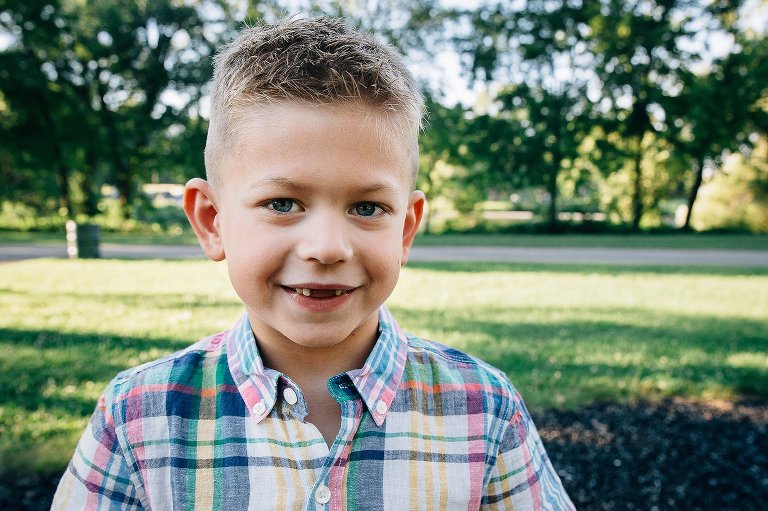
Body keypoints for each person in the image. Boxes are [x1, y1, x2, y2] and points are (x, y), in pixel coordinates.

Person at [52, 17, 574, 510]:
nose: (327, 248)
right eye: (283, 204)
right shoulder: (138, 419)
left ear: (406, 228)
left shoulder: (484, 409)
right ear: (212, 220)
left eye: (367, 208)